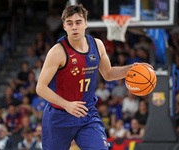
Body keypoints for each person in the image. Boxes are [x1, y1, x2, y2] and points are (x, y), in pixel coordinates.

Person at [36, 4, 153, 150]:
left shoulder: (97, 45)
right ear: (64, 26)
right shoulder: (57, 52)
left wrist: (131, 69)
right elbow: (40, 87)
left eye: (78, 22)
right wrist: (67, 104)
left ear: (86, 23)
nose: (74, 27)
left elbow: (109, 74)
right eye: (69, 23)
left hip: (87, 113)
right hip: (59, 116)